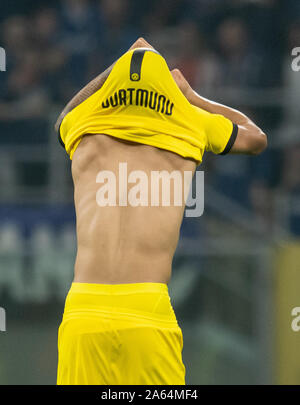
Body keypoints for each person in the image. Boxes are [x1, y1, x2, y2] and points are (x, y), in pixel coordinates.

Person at [55, 38, 267, 385]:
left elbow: (64, 114)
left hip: (84, 308)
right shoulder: (190, 119)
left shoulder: (86, 125)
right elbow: (256, 137)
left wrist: (118, 67)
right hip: (147, 309)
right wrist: (192, 96)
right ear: (168, 87)